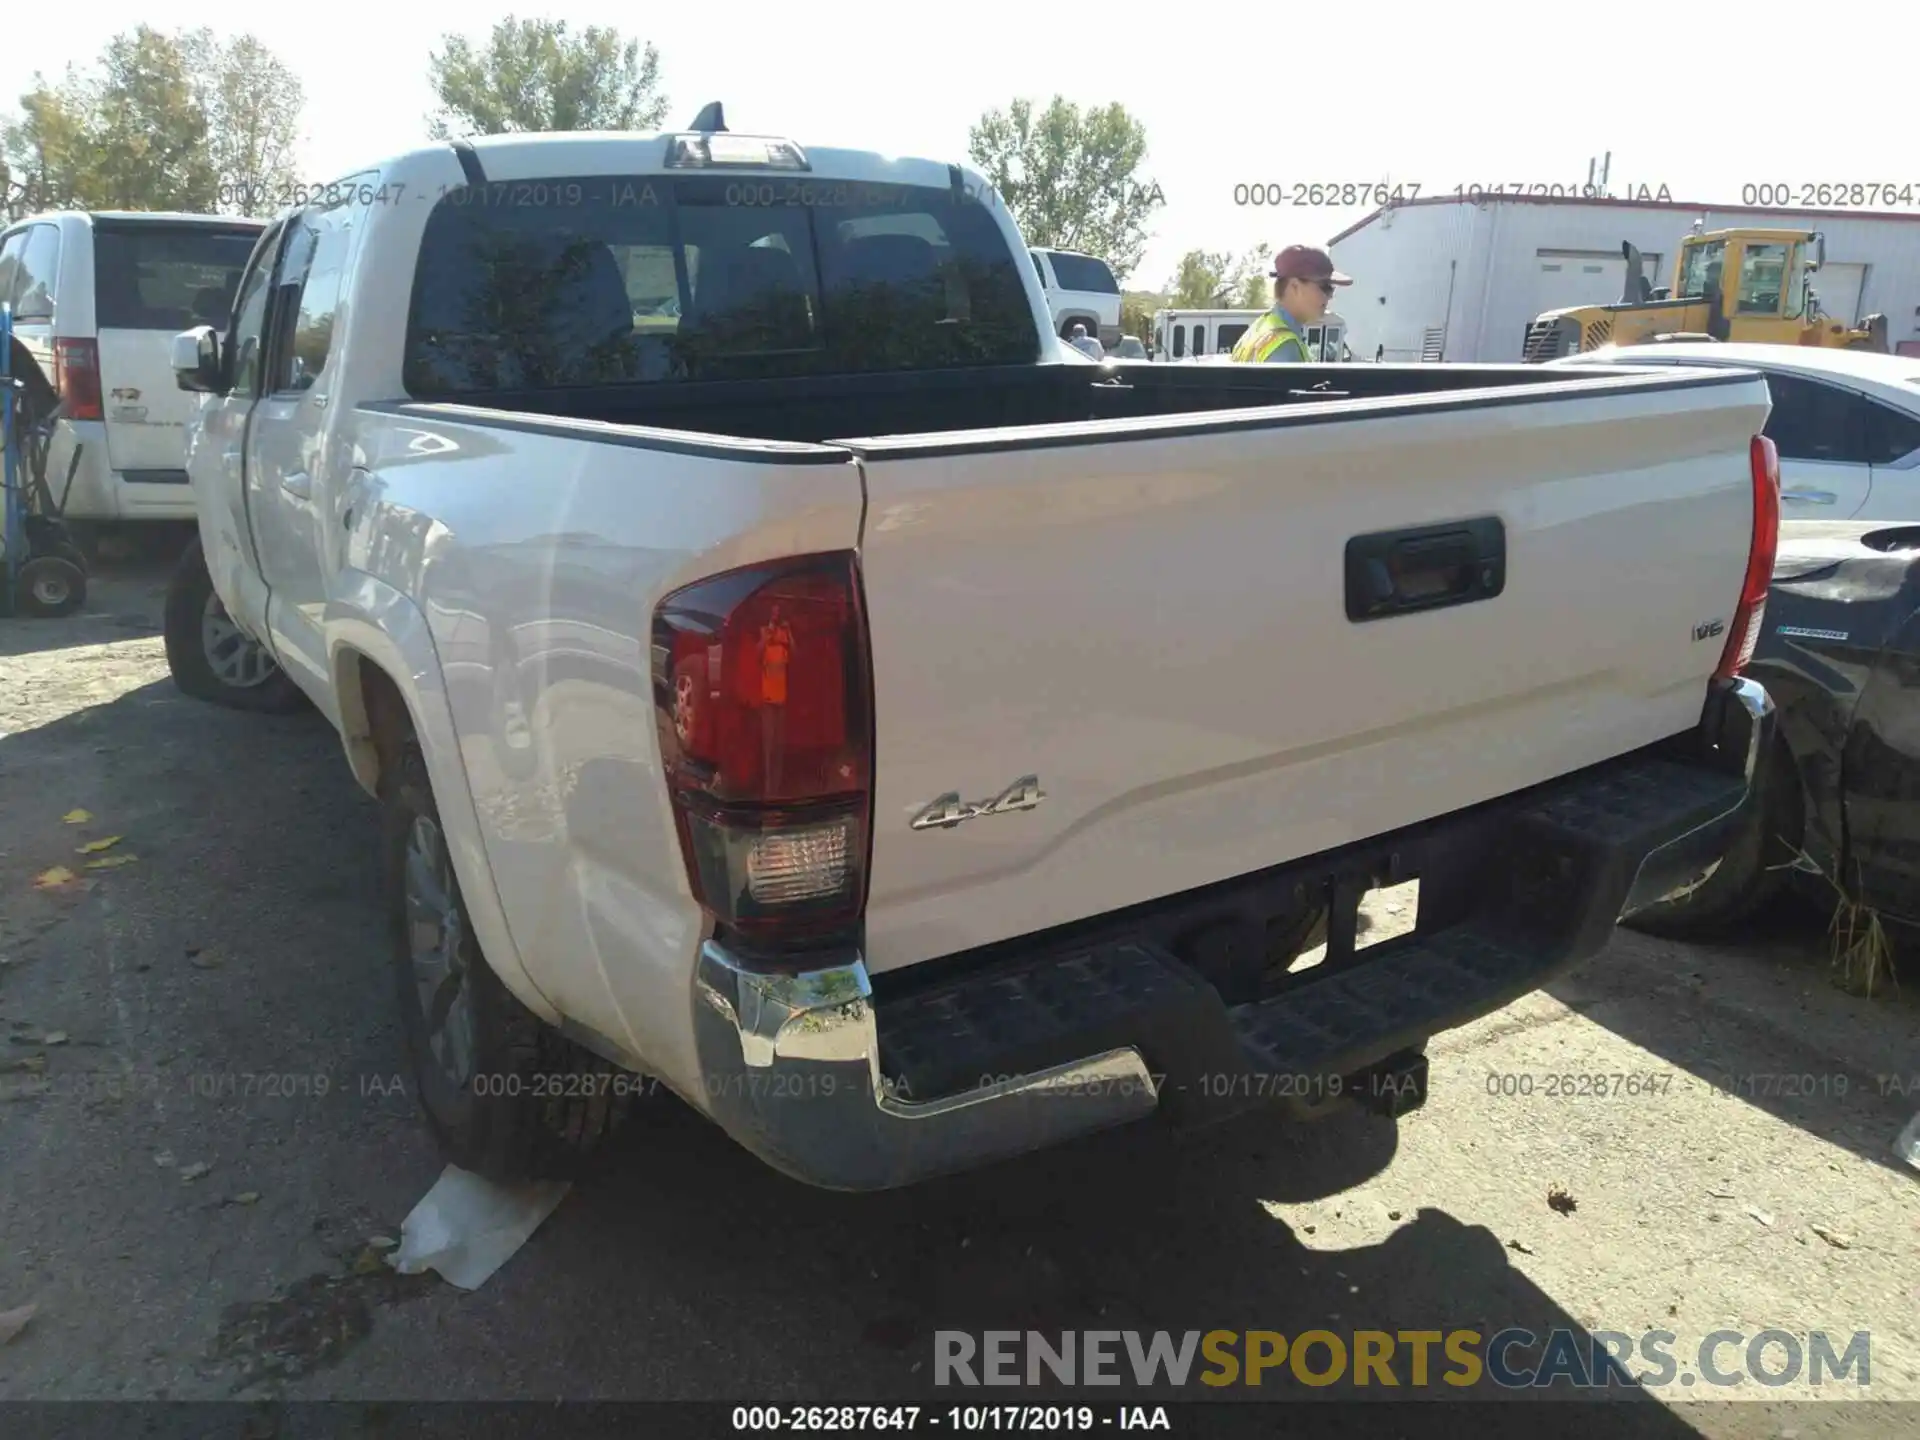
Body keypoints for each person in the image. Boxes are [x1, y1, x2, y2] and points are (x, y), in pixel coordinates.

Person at [1231, 245, 1352, 363]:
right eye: (1325, 287)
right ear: (1295, 287)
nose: (1330, 296)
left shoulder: (1259, 328)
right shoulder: (1285, 347)